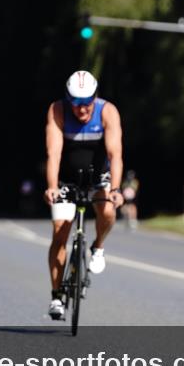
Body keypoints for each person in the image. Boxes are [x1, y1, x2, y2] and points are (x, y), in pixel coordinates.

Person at [44, 70, 124, 318]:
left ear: (95, 97)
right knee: (60, 231)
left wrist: (116, 189)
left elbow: (115, 155)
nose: (81, 108)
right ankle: (56, 296)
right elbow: (53, 154)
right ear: (68, 99)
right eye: (76, 102)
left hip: (98, 176)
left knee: (108, 211)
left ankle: (98, 246)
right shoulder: (57, 110)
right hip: (67, 178)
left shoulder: (107, 111)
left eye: (87, 102)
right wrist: (52, 186)